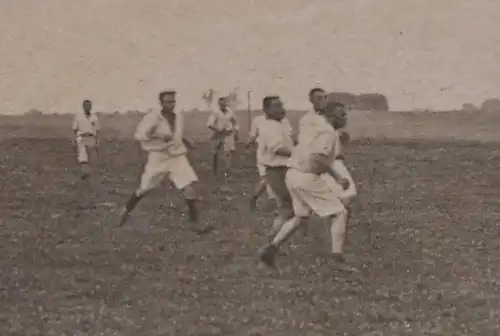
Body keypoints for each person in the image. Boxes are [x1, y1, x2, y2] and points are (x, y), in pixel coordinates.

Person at [259, 92, 357, 271]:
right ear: (331, 115)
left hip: (292, 174)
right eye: (342, 114)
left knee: (301, 216)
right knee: (339, 213)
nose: (345, 118)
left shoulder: (316, 128)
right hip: (306, 175)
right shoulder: (327, 132)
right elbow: (317, 159)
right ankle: (337, 260)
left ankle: (270, 249)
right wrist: (337, 178)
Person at [118, 91, 211, 234]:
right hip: (158, 156)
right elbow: (139, 135)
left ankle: (194, 223)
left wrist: (186, 141)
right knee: (144, 188)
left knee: (188, 187)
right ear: (161, 103)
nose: (171, 105)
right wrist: (158, 135)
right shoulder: (153, 117)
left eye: (173, 101)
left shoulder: (178, 116)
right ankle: (125, 211)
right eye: (168, 102)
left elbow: (175, 134)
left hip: (177, 156)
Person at [256, 96, 295, 238]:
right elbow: (278, 148)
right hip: (277, 171)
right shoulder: (270, 127)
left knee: (290, 207)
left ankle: (276, 239)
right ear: (267, 110)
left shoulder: (280, 125)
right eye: (276, 106)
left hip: (284, 169)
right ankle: (272, 241)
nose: (281, 109)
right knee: (287, 208)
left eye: (281, 105)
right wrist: (300, 153)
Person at [247, 110, 293, 210]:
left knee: (281, 180)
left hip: (282, 156)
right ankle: (254, 198)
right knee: (267, 180)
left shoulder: (284, 122)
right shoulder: (259, 120)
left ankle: (281, 205)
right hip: (266, 156)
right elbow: (253, 136)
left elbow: (288, 136)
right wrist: (251, 143)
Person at [206, 96, 239, 177]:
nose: (224, 105)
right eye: (222, 103)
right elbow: (209, 124)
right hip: (220, 134)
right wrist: (218, 130)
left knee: (229, 151)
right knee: (217, 152)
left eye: (225, 103)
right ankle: (216, 170)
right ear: (219, 104)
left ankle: (227, 169)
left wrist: (236, 133)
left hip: (229, 133)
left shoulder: (230, 112)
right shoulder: (215, 112)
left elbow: (234, 122)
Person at [72, 100, 99, 180]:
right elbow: (74, 129)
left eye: (89, 106)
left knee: (91, 156)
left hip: (91, 137)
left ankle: (89, 173)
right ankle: (84, 172)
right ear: (83, 107)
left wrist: (97, 140)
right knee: (82, 156)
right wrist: (74, 140)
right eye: (86, 106)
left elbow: (97, 130)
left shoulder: (94, 117)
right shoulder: (78, 116)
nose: (88, 108)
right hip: (81, 137)